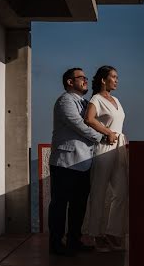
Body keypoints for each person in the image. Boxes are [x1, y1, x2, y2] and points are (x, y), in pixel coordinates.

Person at [47, 68, 117, 256]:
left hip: (85, 162)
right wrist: (103, 137)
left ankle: (74, 240)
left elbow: (94, 121)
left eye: (86, 78)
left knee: (79, 205)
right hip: (65, 162)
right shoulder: (65, 101)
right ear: (70, 82)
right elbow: (79, 125)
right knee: (60, 204)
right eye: (81, 78)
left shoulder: (86, 102)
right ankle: (55, 243)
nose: (86, 81)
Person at [83, 65, 129, 252]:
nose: (117, 80)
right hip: (104, 147)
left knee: (122, 190)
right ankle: (96, 234)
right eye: (113, 77)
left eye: (117, 77)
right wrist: (108, 132)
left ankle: (112, 231)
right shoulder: (96, 98)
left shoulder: (116, 99)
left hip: (119, 147)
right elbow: (89, 118)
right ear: (103, 79)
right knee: (99, 191)